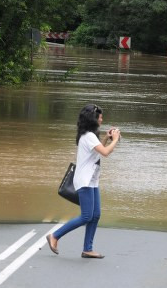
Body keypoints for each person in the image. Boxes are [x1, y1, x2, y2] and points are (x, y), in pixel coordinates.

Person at [46, 104, 121, 259]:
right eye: (100, 117)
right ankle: (55, 236)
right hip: (85, 180)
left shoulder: (88, 135)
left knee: (96, 214)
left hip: (92, 180)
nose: (102, 119)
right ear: (93, 119)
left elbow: (98, 149)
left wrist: (107, 138)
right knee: (87, 216)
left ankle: (88, 249)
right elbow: (105, 152)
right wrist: (116, 139)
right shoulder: (88, 136)